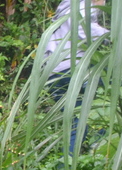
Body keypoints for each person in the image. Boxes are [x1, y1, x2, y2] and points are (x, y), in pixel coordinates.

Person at [43, 0, 109, 152]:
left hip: (53, 73)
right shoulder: (84, 6)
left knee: (75, 124)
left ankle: (66, 169)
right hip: (74, 69)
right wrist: (113, 36)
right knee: (106, 106)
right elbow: (82, 27)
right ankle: (99, 157)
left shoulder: (65, 9)